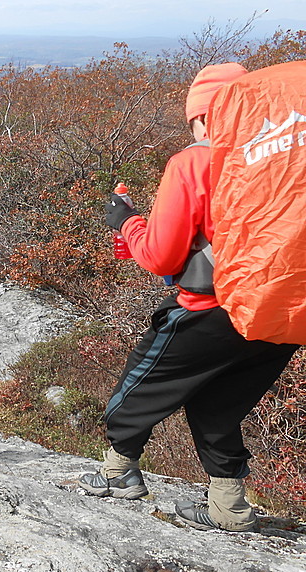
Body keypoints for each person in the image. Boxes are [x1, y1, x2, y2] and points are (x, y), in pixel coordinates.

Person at [77, 63, 299, 532]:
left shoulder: (195, 161)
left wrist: (126, 222)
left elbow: (160, 256)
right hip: (284, 312)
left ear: (201, 117)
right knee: (221, 405)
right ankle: (229, 508)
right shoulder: (290, 157)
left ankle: (118, 474)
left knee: (136, 389)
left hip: (210, 309)